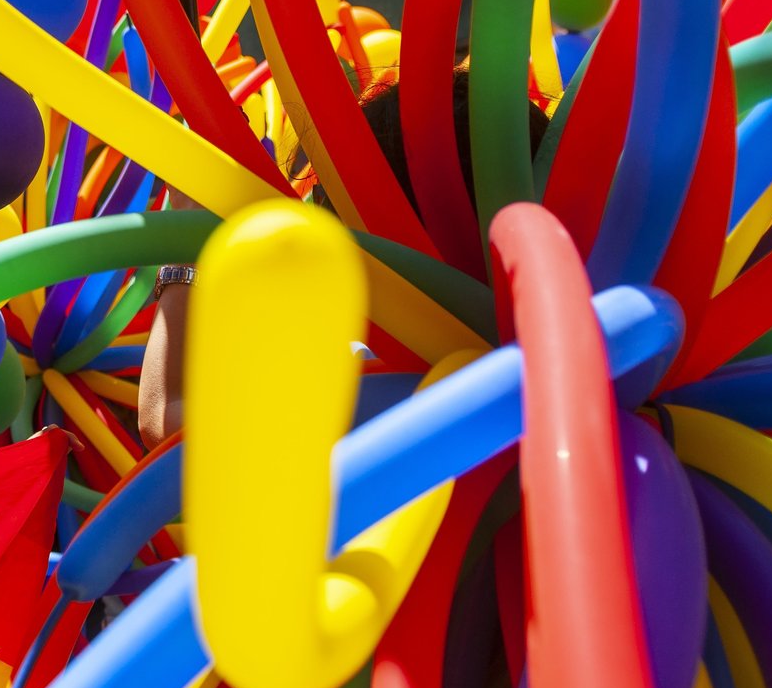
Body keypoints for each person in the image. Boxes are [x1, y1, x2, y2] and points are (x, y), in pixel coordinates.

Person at [136, 68, 550, 450]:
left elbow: (170, 422)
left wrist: (190, 247)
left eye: (327, 198)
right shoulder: (565, 337)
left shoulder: (377, 377)